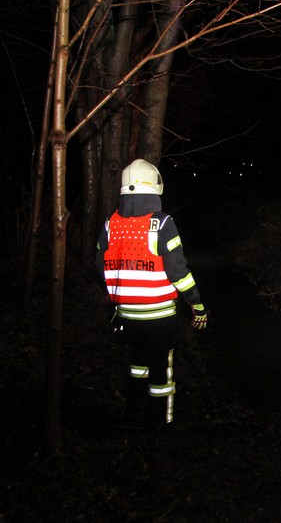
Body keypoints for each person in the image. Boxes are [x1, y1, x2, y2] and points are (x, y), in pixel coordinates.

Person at [95, 158, 208, 433]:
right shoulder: (162, 224)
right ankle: (160, 422)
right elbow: (178, 272)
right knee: (160, 370)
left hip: (126, 317)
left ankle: (133, 413)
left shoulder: (111, 224)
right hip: (159, 318)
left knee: (138, 364)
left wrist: (119, 297)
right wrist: (197, 304)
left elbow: (100, 266)